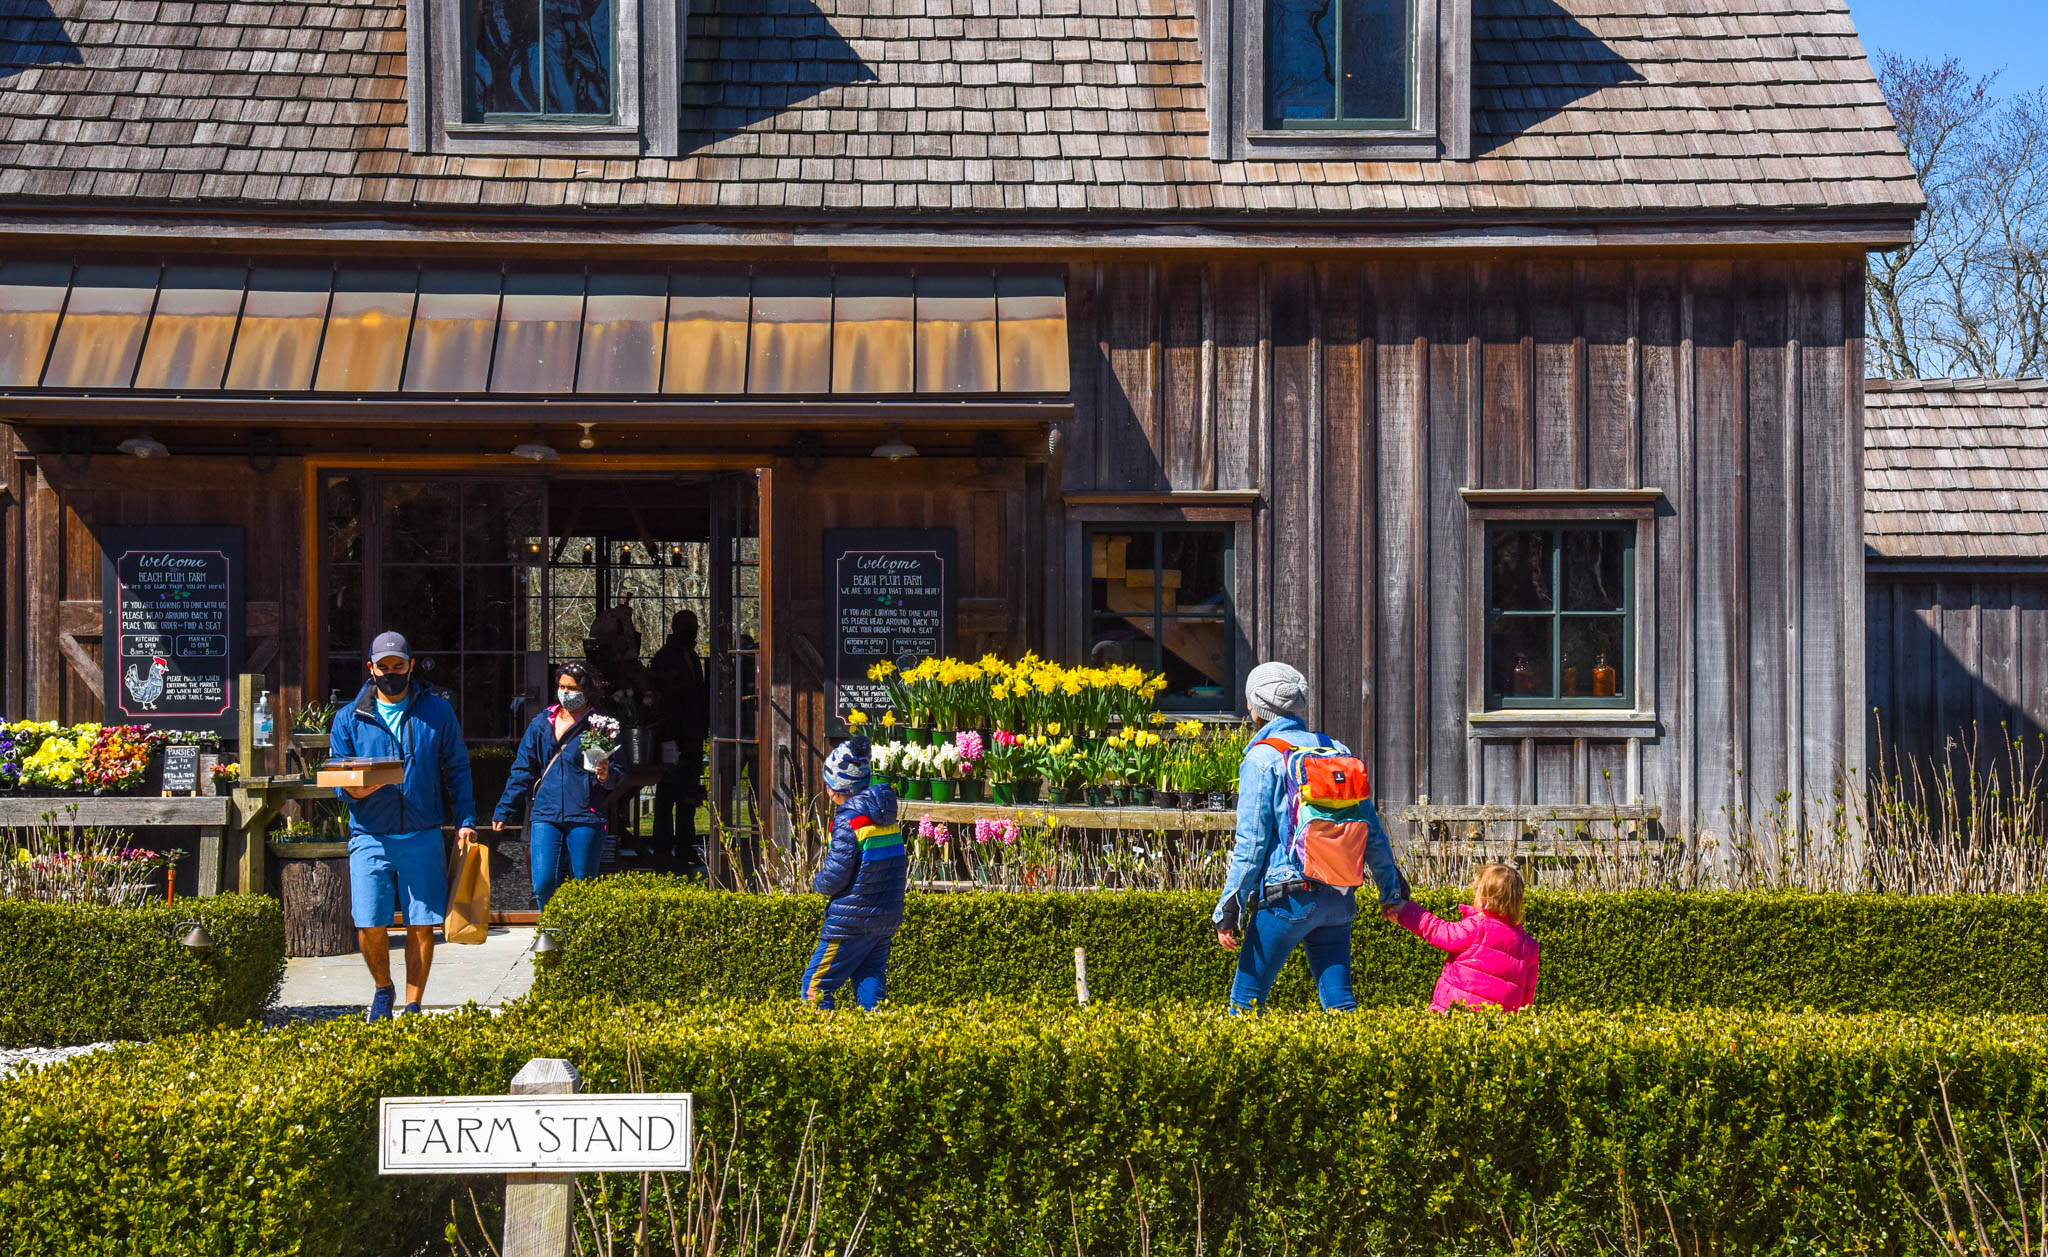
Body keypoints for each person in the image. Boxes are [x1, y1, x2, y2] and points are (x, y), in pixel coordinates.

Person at [1213, 660, 1409, 1013]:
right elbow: (1371, 829)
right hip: (1339, 897)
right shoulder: (1337, 751)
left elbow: (1252, 844)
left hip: (1288, 898)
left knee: (1245, 1004)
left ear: (1253, 709)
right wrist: (1390, 888)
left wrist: (1231, 906)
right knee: (1340, 1004)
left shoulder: (1262, 759)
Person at [328, 630, 477, 1022]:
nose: (391, 673)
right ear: (371, 669)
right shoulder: (348, 718)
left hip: (422, 833)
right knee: (370, 925)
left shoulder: (438, 711)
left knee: (422, 925)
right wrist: (356, 792)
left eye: (398, 665)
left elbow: (457, 769)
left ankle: (413, 1004)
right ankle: (383, 988)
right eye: (384, 667)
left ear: (411, 665)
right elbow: (339, 779)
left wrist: (464, 820)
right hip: (370, 835)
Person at [491, 663, 627, 910]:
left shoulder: (600, 727)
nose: (566, 692)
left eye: (572, 688)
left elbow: (619, 772)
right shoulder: (542, 723)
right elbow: (523, 768)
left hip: (586, 814)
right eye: (562, 687)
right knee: (543, 882)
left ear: (586, 691)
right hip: (546, 812)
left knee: (583, 885)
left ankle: (579, 938)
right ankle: (552, 933)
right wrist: (504, 808)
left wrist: (606, 775)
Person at [799, 737, 904, 1010]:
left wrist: (817, 882)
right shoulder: (886, 817)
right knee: (870, 981)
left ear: (836, 788)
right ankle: (878, 1043)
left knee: (814, 986)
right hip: (885, 917)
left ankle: (822, 1047)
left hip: (852, 921)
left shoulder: (847, 821)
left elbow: (837, 874)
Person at [1384, 863, 1541, 1013]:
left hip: (1455, 1016)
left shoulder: (1477, 928)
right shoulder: (1529, 947)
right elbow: (1527, 1001)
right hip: (1497, 1026)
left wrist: (1404, 910)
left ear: (1484, 899)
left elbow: (1437, 930)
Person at [650, 609, 709, 874]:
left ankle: (685, 845)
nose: (693, 632)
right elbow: (668, 698)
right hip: (673, 734)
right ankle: (662, 850)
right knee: (667, 793)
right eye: (687, 627)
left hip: (693, 734)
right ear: (675, 627)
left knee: (688, 793)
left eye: (694, 627)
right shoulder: (665, 658)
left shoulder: (694, 657)